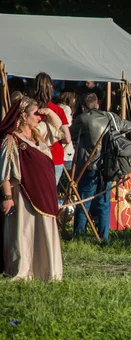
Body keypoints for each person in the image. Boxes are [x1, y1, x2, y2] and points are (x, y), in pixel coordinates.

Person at [0, 97, 63, 280]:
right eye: (35, 113)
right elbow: (4, 172)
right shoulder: (11, 140)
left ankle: (45, 270)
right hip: (24, 194)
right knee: (25, 232)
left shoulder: (39, 134)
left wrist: (49, 112)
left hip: (45, 194)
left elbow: (58, 128)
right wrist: (7, 197)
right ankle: (23, 270)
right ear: (23, 116)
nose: (39, 117)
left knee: (44, 229)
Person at [70, 93, 131, 243]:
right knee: (104, 202)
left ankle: (79, 237)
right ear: (97, 104)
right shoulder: (110, 116)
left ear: (82, 106)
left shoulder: (83, 119)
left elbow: (69, 134)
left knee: (84, 201)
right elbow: (129, 126)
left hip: (90, 165)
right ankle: (104, 237)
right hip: (109, 165)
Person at [32, 73, 72, 185]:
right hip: (55, 157)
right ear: (51, 89)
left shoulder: (29, 109)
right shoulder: (58, 110)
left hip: (33, 157)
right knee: (50, 196)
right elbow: (67, 139)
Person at [56, 92, 77, 180]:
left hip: (57, 143)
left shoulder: (56, 106)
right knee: (66, 179)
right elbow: (67, 126)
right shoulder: (66, 108)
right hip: (65, 147)